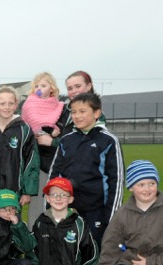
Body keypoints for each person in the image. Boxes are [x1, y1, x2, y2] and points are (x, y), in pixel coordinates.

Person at [49, 92, 123, 252]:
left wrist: (110, 219)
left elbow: (115, 182)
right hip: (68, 209)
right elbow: (54, 176)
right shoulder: (66, 140)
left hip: (96, 211)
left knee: (94, 252)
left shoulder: (108, 141)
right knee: (67, 251)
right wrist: (50, 207)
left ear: (97, 113)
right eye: (74, 112)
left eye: (82, 111)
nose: (77, 116)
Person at [29, 70, 104, 229]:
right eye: (70, 88)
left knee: (80, 223)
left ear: (89, 86)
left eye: (78, 86)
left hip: (84, 177)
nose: (74, 91)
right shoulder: (62, 110)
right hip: (53, 169)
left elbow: (81, 143)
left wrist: (53, 141)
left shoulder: (95, 116)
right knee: (53, 218)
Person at [29, 177, 98, 265]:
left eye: (63, 195)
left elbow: (91, 253)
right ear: (47, 198)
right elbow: (33, 250)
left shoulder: (79, 223)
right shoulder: (41, 222)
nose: (58, 198)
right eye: (54, 194)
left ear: (70, 199)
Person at [0, 87, 39, 224]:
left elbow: (32, 161)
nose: (7, 107)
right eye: (2, 103)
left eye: (10, 103)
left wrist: (27, 191)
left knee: (11, 229)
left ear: (16, 105)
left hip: (13, 189)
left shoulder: (24, 129)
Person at [21, 72, 64, 136]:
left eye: (43, 86)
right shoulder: (30, 102)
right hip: (34, 140)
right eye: (36, 86)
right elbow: (33, 122)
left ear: (51, 89)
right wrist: (50, 130)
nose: (39, 88)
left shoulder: (56, 104)